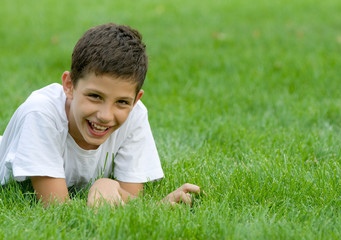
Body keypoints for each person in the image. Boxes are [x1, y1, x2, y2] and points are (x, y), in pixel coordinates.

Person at [0, 23, 202, 207]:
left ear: (136, 99)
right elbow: (57, 209)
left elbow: (130, 201)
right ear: (69, 86)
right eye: (95, 96)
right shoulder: (41, 114)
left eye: (122, 102)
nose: (105, 115)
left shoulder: (135, 115)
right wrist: (102, 189)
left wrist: (156, 207)